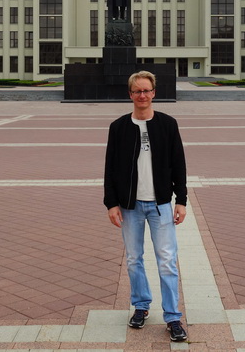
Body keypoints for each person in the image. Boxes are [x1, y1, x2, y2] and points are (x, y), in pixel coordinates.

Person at [103, 70, 188, 342]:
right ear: (130, 95)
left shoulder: (167, 124)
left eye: (146, 91)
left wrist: (182, 200)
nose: (142, 95)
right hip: (130, 206)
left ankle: (173, 317)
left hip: (161, 204)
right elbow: (110, 168)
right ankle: (141, 306)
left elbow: (179, 164)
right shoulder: (118, 127)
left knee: (167, 262)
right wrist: (111, 203)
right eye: (137, 91)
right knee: (133, 259)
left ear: (154, 93)